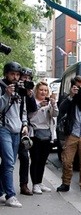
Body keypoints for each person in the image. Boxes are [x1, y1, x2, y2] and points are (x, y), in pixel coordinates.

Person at [0, 61, 29, 208]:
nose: (15, 77)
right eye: (12, 74)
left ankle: (1, 190)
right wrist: (6, 95)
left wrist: (25, 124)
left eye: (17, 74)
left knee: (7, 163)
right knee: (9, 162)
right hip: (3, 128)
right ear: (6, 74)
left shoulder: (20, 90)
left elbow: (23, 110)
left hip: (17, 130)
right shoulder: (1, 87)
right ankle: (10, 195)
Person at [28, 81, 58, 194]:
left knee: (43, 160)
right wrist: (39, 106)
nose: (43, 92)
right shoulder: (33, 102)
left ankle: (40, 182)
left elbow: (55, 114)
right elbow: (29, 116)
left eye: (45, 90)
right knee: (35, 159)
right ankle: (35, 184)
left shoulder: (49, 103)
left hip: (47, 134)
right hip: (35, 133)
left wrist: (54, 104)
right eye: (41, 90)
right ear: (36, 90)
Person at [17, 67, 37, 196]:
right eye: (24, 78)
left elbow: (33, 109)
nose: (26, 81)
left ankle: (24, 185)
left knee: (25, 157)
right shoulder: (14, 89)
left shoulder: (28, 93)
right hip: (9, 126)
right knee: (7, 159)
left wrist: (30, 95)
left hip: (23, 128)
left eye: (28, 79)